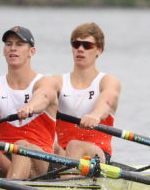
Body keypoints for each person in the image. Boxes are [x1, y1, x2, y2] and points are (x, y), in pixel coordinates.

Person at [0, 26, 59, 179]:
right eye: (9, 44)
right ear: (4, 51)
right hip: (6, 159)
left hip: (42, 163)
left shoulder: (46, 82)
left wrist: (30, 106)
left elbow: (43, 97)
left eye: (19, 44)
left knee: (21, 145)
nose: (13, 48)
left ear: (31, 52)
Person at [52, 22, 121, 163]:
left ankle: (68, 182)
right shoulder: (57, 81)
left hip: (96, 156)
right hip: (63, 155)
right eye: (76, 44)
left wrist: (95, 115)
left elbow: (108, 99)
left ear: (99, 50)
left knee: (74, 145)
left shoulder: (107, 81)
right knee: (41, 146)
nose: (80, 49)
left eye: (87, 45)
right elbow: (43, 93)